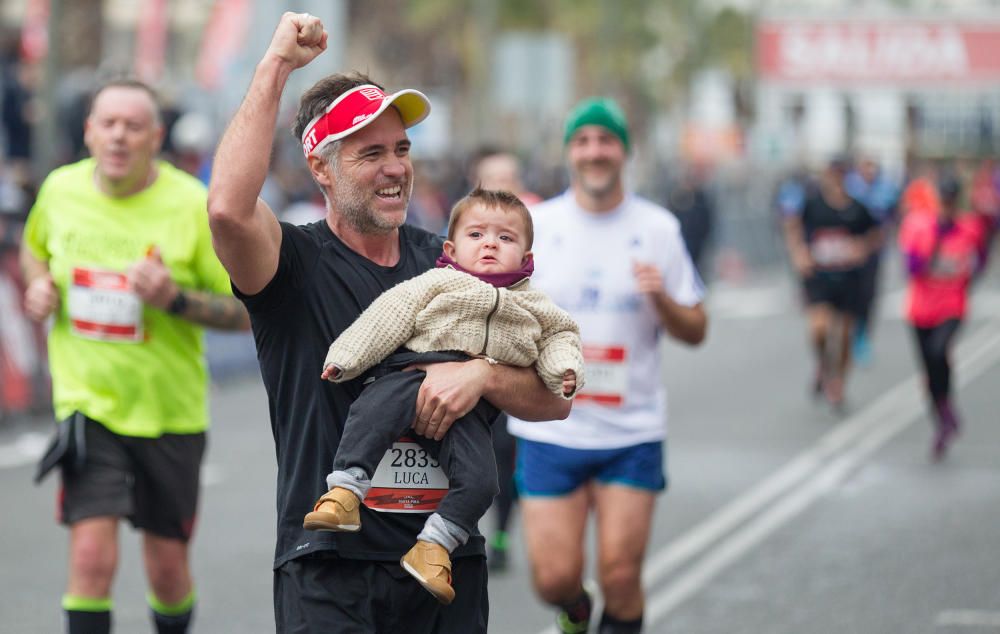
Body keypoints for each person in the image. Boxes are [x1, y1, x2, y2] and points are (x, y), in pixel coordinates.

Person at [205, 13, 570, 633]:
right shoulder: (292, 264)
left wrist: (481, 377)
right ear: (322, 168)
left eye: (402, 149)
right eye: (371, 152)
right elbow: (227, 211)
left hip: (443, 563)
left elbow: (554, 398)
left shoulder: (460, 265)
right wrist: (275, 67)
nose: (396, 167)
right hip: (329, 569)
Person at [20, 78, 250, 634]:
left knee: (167, 571)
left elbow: (244, 311)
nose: (119, 136)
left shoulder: (191, 205)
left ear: (156, 137)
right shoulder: (60, 190)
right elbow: (34, 254)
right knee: (90, 561)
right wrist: (38, 289)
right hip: (88, 405)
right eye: (108, 124)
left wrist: (172, 298)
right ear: (89, 132)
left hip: (169, 412)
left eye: (133, 126)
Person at [304, 186, 584, 604]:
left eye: (505, 238)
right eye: (477, 235)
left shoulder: (534, 304)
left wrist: (564, 370)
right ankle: (345, 489)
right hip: (412, 371)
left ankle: (434, 546)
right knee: (374, 409)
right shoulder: (437, 282)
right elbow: (388, 315)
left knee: (483, 481)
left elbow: (562, 336)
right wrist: (347, 356)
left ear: (526, 260)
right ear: (451, 248)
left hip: (471, 406)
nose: (490, 243)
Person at [508, 97, 708, 634]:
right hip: (551, 427)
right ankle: (574, 614)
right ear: (569, 152)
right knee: (553, 579)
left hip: (631, 429)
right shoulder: (537, 226)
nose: (594, 151)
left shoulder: (659, 228)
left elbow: (696, 329)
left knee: (620, 575)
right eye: (583, 141)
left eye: (606, 140)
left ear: (624, 151)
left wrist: (661, 299)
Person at [470, 146, 541, 571]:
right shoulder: (464, 227)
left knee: (505, 452)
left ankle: (500, 532)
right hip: (472, 357)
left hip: (520, 360)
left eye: (507, 179)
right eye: (490, 180)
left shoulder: (542, 224)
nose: (500, 189)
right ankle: (465, 527)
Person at [899, 173, 997, 461]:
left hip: (952, 305)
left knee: (939, 350)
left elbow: (981, 256)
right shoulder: (918, 226)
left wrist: (970, 273)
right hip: (920, 308)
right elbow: (913, 267)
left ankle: (946, 406)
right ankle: (942, 417)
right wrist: (936, 241)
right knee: (929, 369)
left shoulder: (970, 228)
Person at [782, 158, 880, 411]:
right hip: (820, 276)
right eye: (831, 174)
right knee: (819, 329)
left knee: (845, 334)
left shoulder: (857, 208)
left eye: (840, 174)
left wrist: (863, 248)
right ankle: (824, 365)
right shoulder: (813, 204)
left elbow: (876, 234)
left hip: (848, 278)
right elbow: (792, 225)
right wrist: (799, 253)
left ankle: (838, 383)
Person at [844, 155, 899, 366]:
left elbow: (892, 217)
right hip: (849, 254)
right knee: (850, 296)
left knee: (868, 295)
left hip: (874, 252)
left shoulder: (886, 189)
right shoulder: (850, 187)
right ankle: (847, 333)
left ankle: (862, 335)